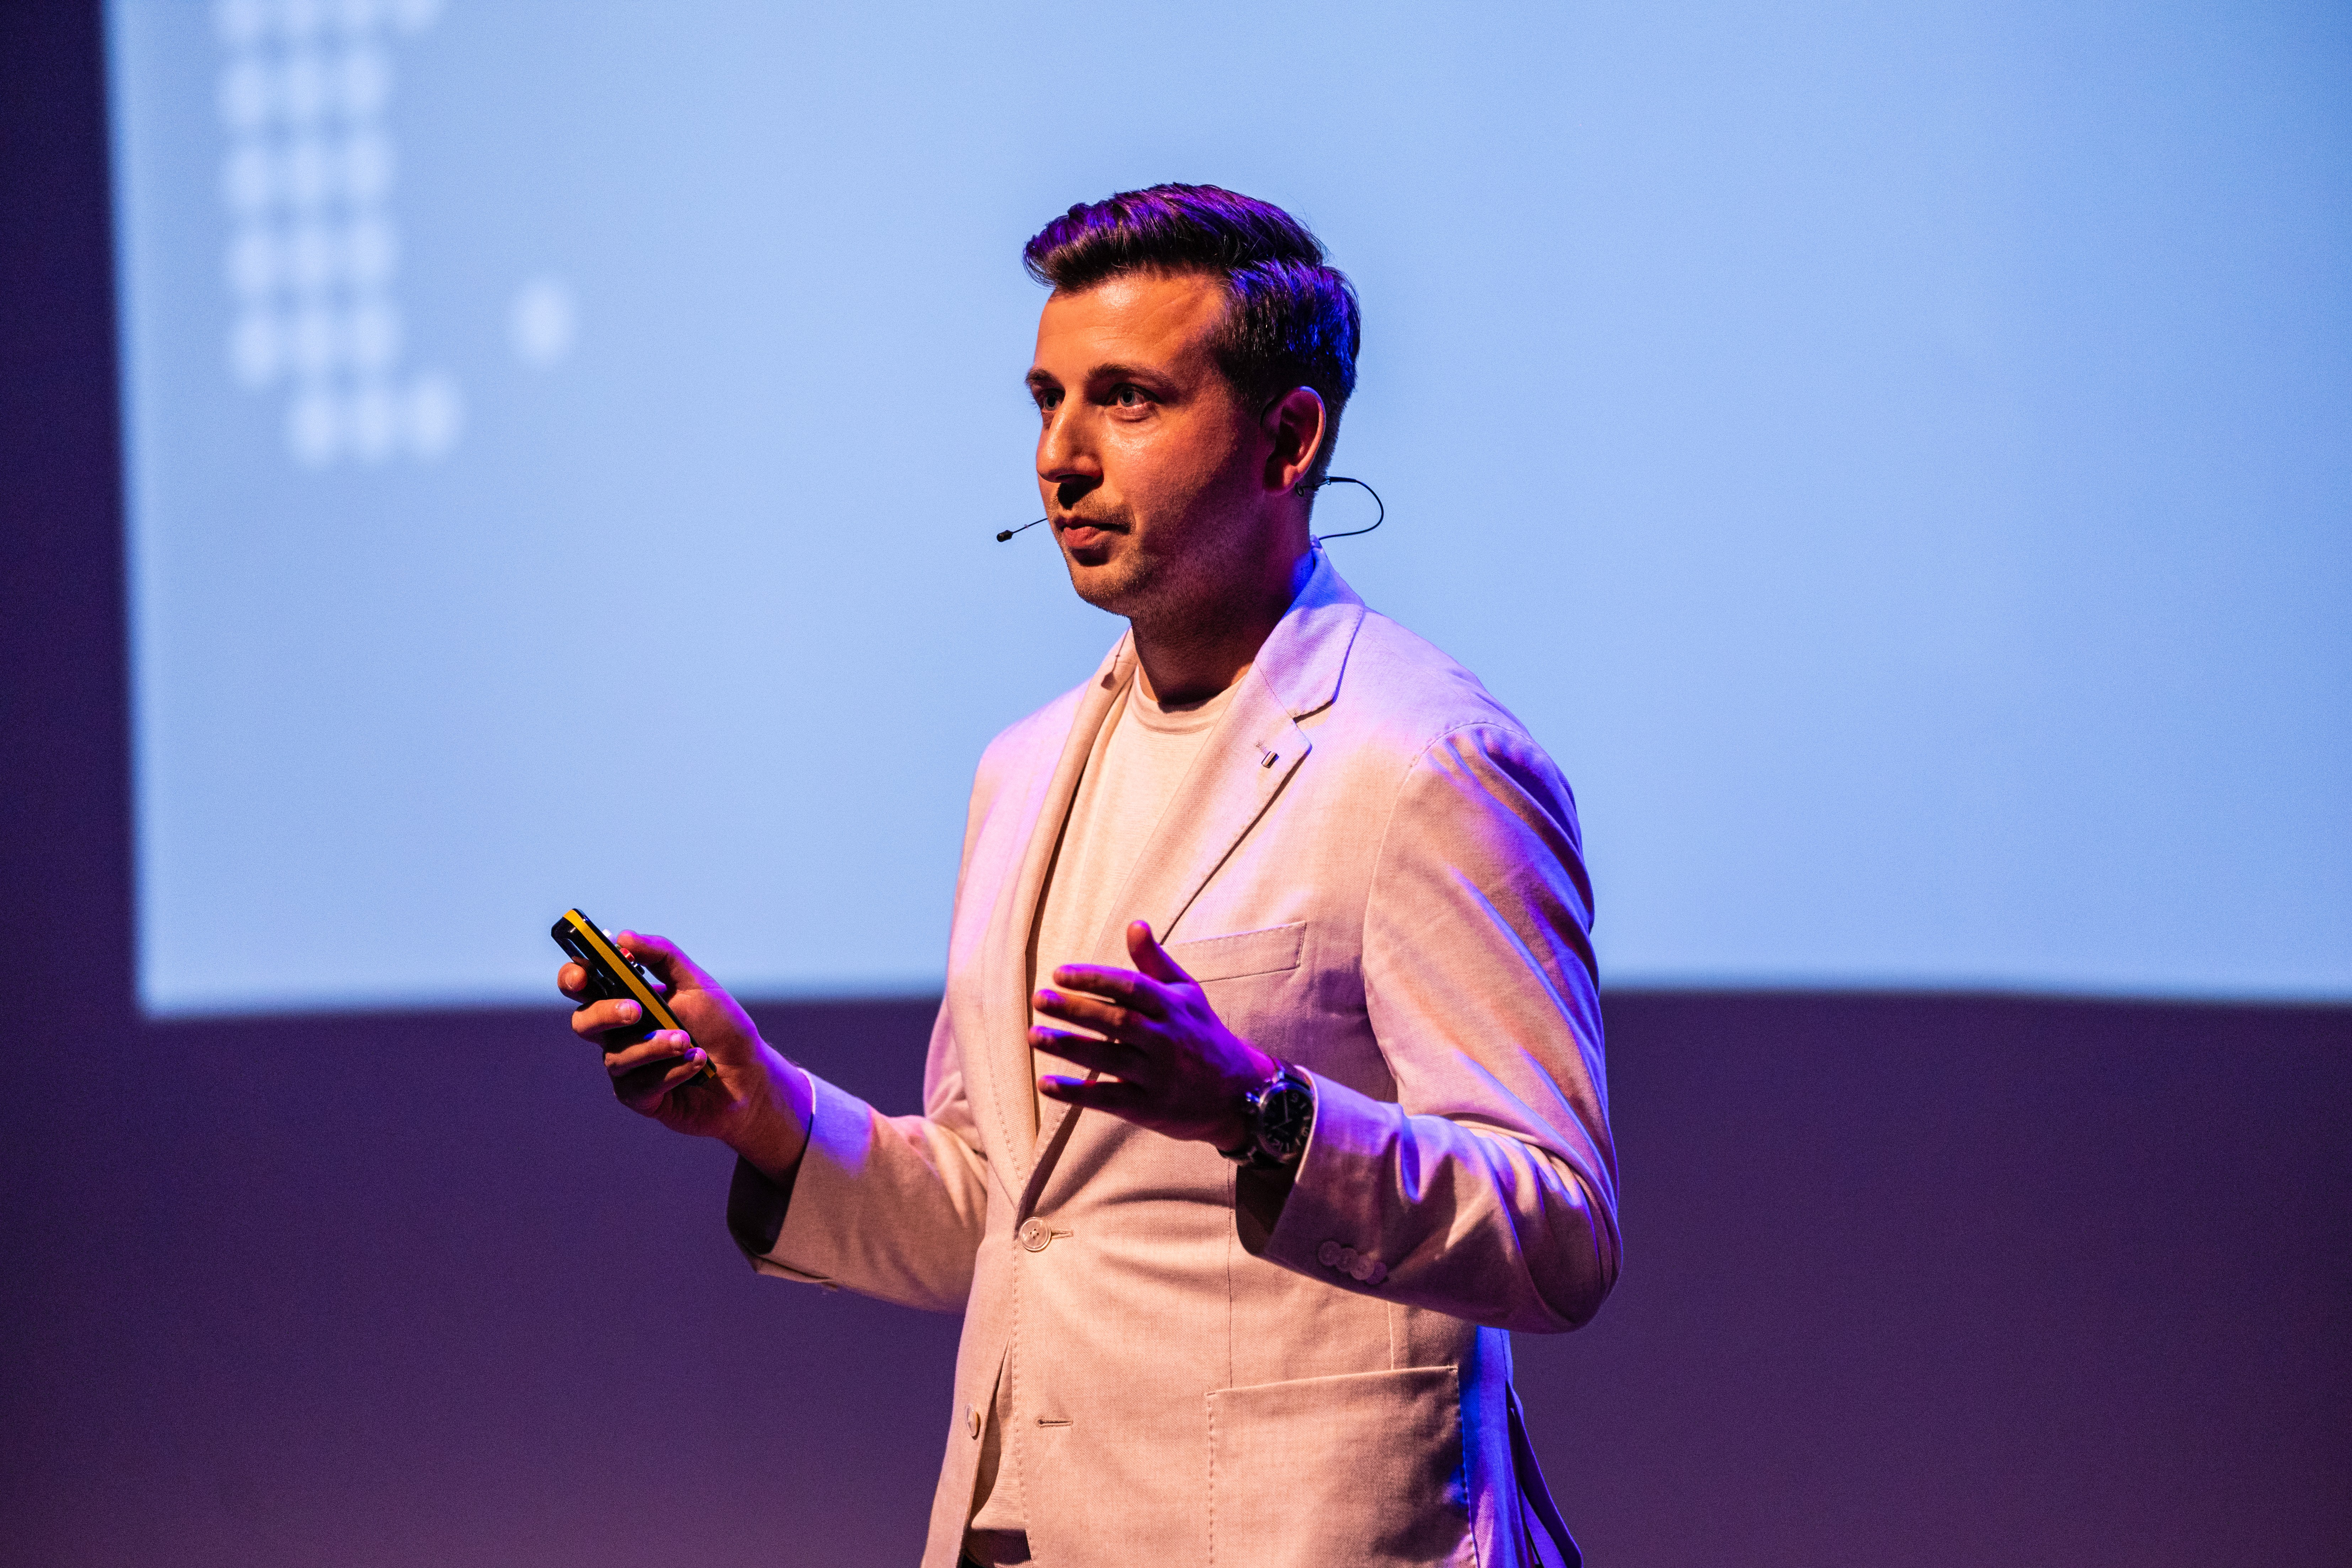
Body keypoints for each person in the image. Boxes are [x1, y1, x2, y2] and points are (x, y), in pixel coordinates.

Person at [561, 184, 1619, 1568]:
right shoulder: (1023, 768)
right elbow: (1008, 1214)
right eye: (1046, 398)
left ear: (1287, 437)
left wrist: (1256, 1109)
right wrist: (765, 1113)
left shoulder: (1423, 762)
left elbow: (1559, 1231)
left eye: (1125, 399)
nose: (1059, 457)